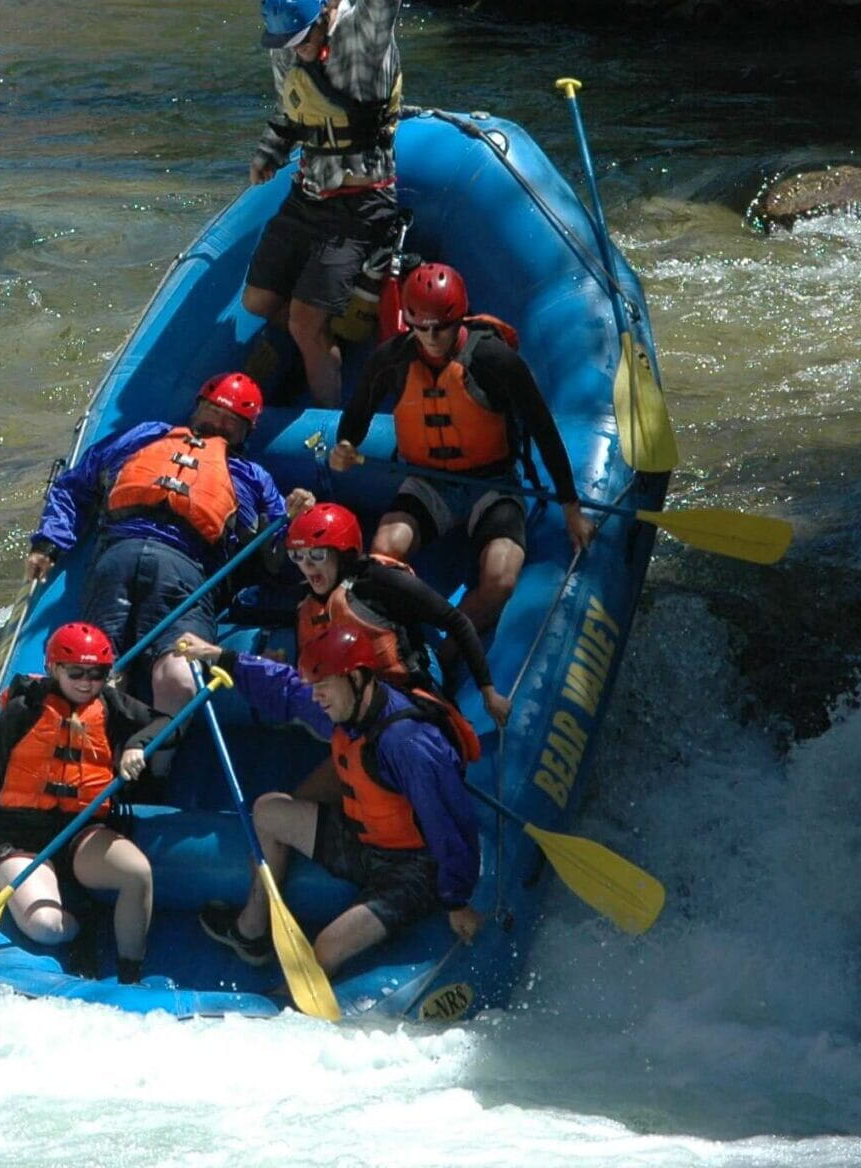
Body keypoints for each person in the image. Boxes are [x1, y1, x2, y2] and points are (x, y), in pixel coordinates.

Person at [175, 626, 482, 981]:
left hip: (412, 870)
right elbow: (286, 686)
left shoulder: (409, 744)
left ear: (356, 678)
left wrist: (457, 901)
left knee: (324, 950)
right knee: (269, 809)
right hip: (360, 840)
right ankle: (252, 932)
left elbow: (450, 823)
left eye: (323, 687)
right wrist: (220, 657)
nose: (316, 697)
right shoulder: (343, 704)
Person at [330, 261, 595, 632]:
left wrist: (571, 508)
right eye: (422, 328)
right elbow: (358, 411)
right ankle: (398, 641)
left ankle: (448, 654)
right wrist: (346, 444)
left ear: (460, 318)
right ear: (409, 321)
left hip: (492, 483)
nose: (432, 337)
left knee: (501, 579)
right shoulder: (392, 359)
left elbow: (543, 429)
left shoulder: (495, 361)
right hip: (427, 482)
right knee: (386, 550)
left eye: (442, 327)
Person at [26, 372, 296, 711]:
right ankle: (121, 744)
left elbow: (279, 552)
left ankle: (133, 744)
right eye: (215, 412)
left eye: (230, 420)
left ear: (246, 430)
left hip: (167, 568)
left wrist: (290, 518)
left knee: (147, 671)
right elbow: (74, 486)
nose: (219, 423)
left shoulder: (153, 438)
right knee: (147, 672)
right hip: (140, 563)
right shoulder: (151, 437)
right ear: (197, 408)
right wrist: (47, 544)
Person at [241, 0, 406, 409]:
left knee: (305, 323)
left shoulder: (363, 37)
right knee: (258, 300)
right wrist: (269, 153)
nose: (293, 53)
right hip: (310, 195)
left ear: (322, 17)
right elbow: (294, 112)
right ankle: (331, 322)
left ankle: (330, 418)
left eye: (299, 42)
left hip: (361, 203)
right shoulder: (287, 47)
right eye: (283, 44)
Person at [0, 622, 161, 983]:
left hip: (79, 832)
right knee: (45, 925)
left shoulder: (109, 704)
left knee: (137, 873)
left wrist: (136, 745)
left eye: (98, 673)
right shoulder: (22, 711)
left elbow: (166, 724)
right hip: (19, 837)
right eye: (77, 673)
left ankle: (130, 975)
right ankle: (81, 925)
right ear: (53, 668)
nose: (87, 682)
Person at [284, 501, 511, 724]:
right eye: (297, 556)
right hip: (359, 697)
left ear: (343, 553)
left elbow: (456, 621)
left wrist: (489, 693)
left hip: (409, 688)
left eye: (316, 555)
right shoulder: (308, 602)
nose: (306, 566)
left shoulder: (381, 581)